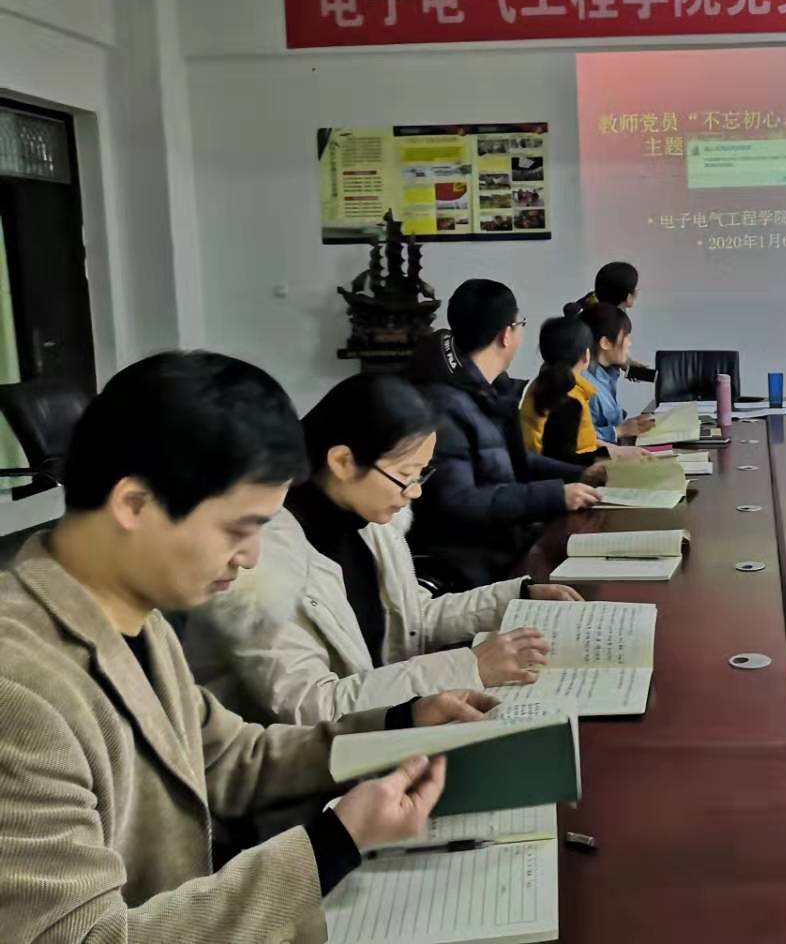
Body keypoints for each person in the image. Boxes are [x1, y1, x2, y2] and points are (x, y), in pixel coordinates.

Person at [0, 351, 499, 941]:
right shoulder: (20, 691)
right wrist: (333, 844)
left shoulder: (134, 613)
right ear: (135, 505)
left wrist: (399, 720)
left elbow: (232, 757)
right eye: (239, 528)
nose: (253, 556)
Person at [186, 373, 582, 726]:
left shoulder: (368, 524)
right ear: (343, 461)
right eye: (406, 475)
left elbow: (412, 620)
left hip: (387, 732)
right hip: (311, 767)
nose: (415, 492)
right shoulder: (257, 563)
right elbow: (310, 705)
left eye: (422, 474)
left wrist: (516, 596)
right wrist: (468, 666)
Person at [410, 279, 603, 589]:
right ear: (506, 334)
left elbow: (517, 461)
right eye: (520, 324)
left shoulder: (488, 390)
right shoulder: (445, 404)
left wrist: (582, 473)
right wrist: (555, 495)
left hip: (508, 546)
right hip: (477, 566)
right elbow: (459, 501)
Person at [520, 315, 647, 467]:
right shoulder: (568, 398)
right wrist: (615, 454)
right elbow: (567, 460)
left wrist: (617, 450)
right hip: (569, 477)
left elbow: (583, 441)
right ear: (586, 356)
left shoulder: (541, 384)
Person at [580, 301, 656, 445]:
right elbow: (573, 438)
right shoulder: (584, 383)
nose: (629, 343)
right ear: (605, 343)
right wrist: (620, 430)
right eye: (626, 336)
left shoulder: (605, 371)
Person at [565, 261, 655, 382]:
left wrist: (627, 363)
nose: (637, 291)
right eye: (634, 288)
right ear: (628, 297)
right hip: (595, 377)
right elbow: (602, 353)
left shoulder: (595, 304)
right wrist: (624, 362)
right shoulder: (606, 321)